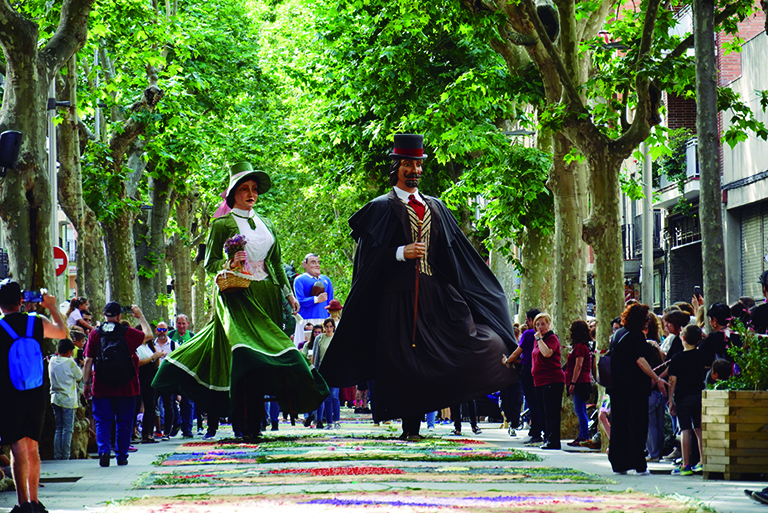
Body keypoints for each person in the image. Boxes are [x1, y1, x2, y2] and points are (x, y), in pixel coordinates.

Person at [319, 134, 518, 440]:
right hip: (397, 299)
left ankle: (451, 409)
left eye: (418, 164)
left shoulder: (437, 208)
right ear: (397, 167)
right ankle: (409, 427)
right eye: (408, 164)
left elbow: (457, 256)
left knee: (468, 344)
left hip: (435, 296)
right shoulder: (380, 208)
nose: (414, 170)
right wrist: (401, 252)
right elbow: (368, 260)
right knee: (405, 361)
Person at [152, 162, 328, 441]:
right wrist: (230, 260)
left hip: (268, 295)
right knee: (244, 355)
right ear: (232, 193)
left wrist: (288, 293)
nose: (250, 193)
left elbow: (276, 263)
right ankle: (242, 423)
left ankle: (257, 422)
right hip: (237, 295)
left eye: (254, 189)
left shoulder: (267, 223)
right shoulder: (221, 224)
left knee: (264, 359)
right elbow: (209, 265)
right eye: (244, 189)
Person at [0, 280, 68, 513]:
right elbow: (62, 333)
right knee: (33, 448)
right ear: (22, 301)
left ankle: (23, 503)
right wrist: (51, 307)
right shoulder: (36, 322)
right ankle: (36, 501)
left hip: (9, 395)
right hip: (36, 393)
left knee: (17, 450)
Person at [83, 302, 152, 467]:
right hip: (127, 386)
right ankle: (122, 455)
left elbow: (88, 361)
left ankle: (104, 451)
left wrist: (86, 383)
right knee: (124, 421)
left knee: (102, 421)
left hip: (102, 385)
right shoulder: (128, 333)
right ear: (120, 316)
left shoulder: (95, 334)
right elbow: (148, 335)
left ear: (103, 314)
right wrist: (140, 316)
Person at [608, 303, 667, 475]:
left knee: (619, 425)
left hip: (617, 387)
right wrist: (656, 378)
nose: (648, 321)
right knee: (638, 425)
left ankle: (619, 463)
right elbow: (640, 360)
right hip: (635, 388)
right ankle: (639, 464)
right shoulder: (636, 337)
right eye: (647, 318)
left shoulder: (618, 334)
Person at [668, 324, 705, 475]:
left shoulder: (677, 358)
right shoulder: (702, 355)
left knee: (685, 429)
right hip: (699, 394)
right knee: (699, 428)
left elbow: (672, 380)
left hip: (682, 397)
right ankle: (703, 461)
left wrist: (670, 399)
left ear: (683, 338)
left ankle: (686, 464)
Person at [503, 308, 543, 445]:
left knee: (532, 402)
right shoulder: (546, 335)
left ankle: (536, 432)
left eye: (527, 320)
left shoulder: (528, 334)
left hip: (528, 370)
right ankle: (536, 430)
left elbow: (517, 353)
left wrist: (507, 361)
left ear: (532, 320)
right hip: (540, 370)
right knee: (537, 402)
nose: (526, 322)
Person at [529, 313, 565, 450]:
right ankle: (547, 438)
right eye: (537, 325)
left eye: (543, 324)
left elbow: (547, 353)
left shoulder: (551, 339)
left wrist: (539, 339)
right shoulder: (537, 340)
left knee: (551, 411)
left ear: (548, 324)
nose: (540, 327)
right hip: (539, 381)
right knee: (543, 411)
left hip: (552, 379)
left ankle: (554, 441)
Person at [49, 338, 83, 460]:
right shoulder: (70, 363)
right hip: (68, 399)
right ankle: (66, 456)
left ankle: (57, 455)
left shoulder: (52, 361)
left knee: (59, 428)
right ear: (69, 351)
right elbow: (79, 376)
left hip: (55, 398)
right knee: (67, 429)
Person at [292, 253, 334, 345]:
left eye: (318, 262)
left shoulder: (326, 280)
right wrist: (316, 299)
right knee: (304, 346)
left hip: (323, 319)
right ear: (304, 264)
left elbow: (330, 302)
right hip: (306, 320)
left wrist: (332, 319)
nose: (317, 265)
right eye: (313, 262)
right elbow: (300, 301)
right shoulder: (299, 280)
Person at [565, 320, 592, 447]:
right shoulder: (581, 346)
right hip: (582, 380)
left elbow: (578, 365)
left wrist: (573, 382)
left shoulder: (580, 347)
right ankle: (583, 435)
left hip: (580, 381)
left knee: (580, 410)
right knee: (581, 410)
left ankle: (584, 436)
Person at [311, 318, 340, 429]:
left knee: (334, 395)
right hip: (323, 371)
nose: (328, 329)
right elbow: (315, 355)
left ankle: (336, 420)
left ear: (333, 327)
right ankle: (329, 422)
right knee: (326, 397)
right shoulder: (319, 339)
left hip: (334, 370)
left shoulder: (336, 339)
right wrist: (313, 369)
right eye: (327, 326)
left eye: (330, 327)